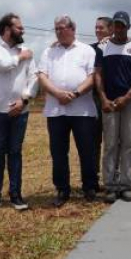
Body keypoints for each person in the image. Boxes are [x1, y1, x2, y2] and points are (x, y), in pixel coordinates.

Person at [38, 15, 98, 207]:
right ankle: (62, 189)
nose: (59, 31)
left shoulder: (87, 50)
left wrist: (75, 94)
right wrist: (57, 93)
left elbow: (92, 77)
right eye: (56, 28)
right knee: (58, 152)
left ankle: (89, 187)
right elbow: (42, 76)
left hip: (82, 109)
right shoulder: (48, 52)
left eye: (62, 28)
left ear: (73, 28)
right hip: (56, 110)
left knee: (87, 150)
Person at [0, 13, 37, 212]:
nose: (23, 31)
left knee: (15, 152)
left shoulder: (28, 51)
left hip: (21, 111)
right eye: (19, 28)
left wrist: (25, 99)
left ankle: (16, 195)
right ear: (7, 29)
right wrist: (21, 57)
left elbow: (34, 78)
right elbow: (4, 65)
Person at [95, 11, 131, 203]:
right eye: (116, 25)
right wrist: (103, 98)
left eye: (123, 25)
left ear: (128, 26)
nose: (119, 28)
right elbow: (98, 74)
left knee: (129, 143)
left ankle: (126, 185)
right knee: (110, 144)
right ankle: (110, 186)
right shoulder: (103, 47)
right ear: (112, 27)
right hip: (109, 101)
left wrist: (128, 96)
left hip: (129, 101)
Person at [90, 16, 113, 190]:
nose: (98, 31)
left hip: (114, 98)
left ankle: (113, 177)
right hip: (95, 100)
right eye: (96, 28)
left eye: (102, 28)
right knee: (94, 140)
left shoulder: (118, 46)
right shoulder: (89, 49)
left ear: (111, 29)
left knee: (113, 141)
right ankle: (94, 179)